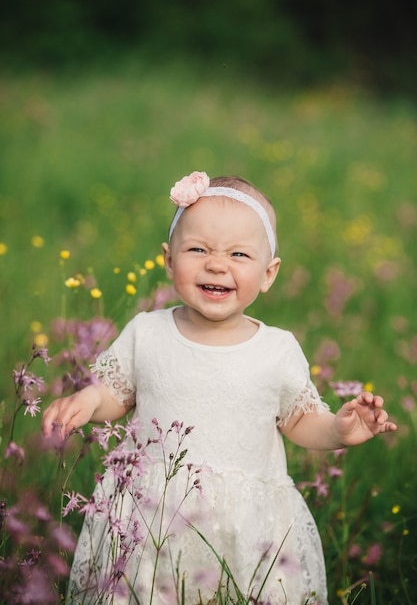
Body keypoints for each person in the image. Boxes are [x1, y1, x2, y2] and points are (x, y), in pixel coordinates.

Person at [42, 171, 396, 605]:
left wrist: (339, 432)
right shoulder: (147, 333)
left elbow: (300, 419)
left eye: (239, 254)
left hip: (246, 531)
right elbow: (114, 394)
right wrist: (86, 399)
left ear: (268, 273)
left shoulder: (277, 349)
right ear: (169, 260)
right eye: (198, 249)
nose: (216, 263)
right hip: (151, 521)